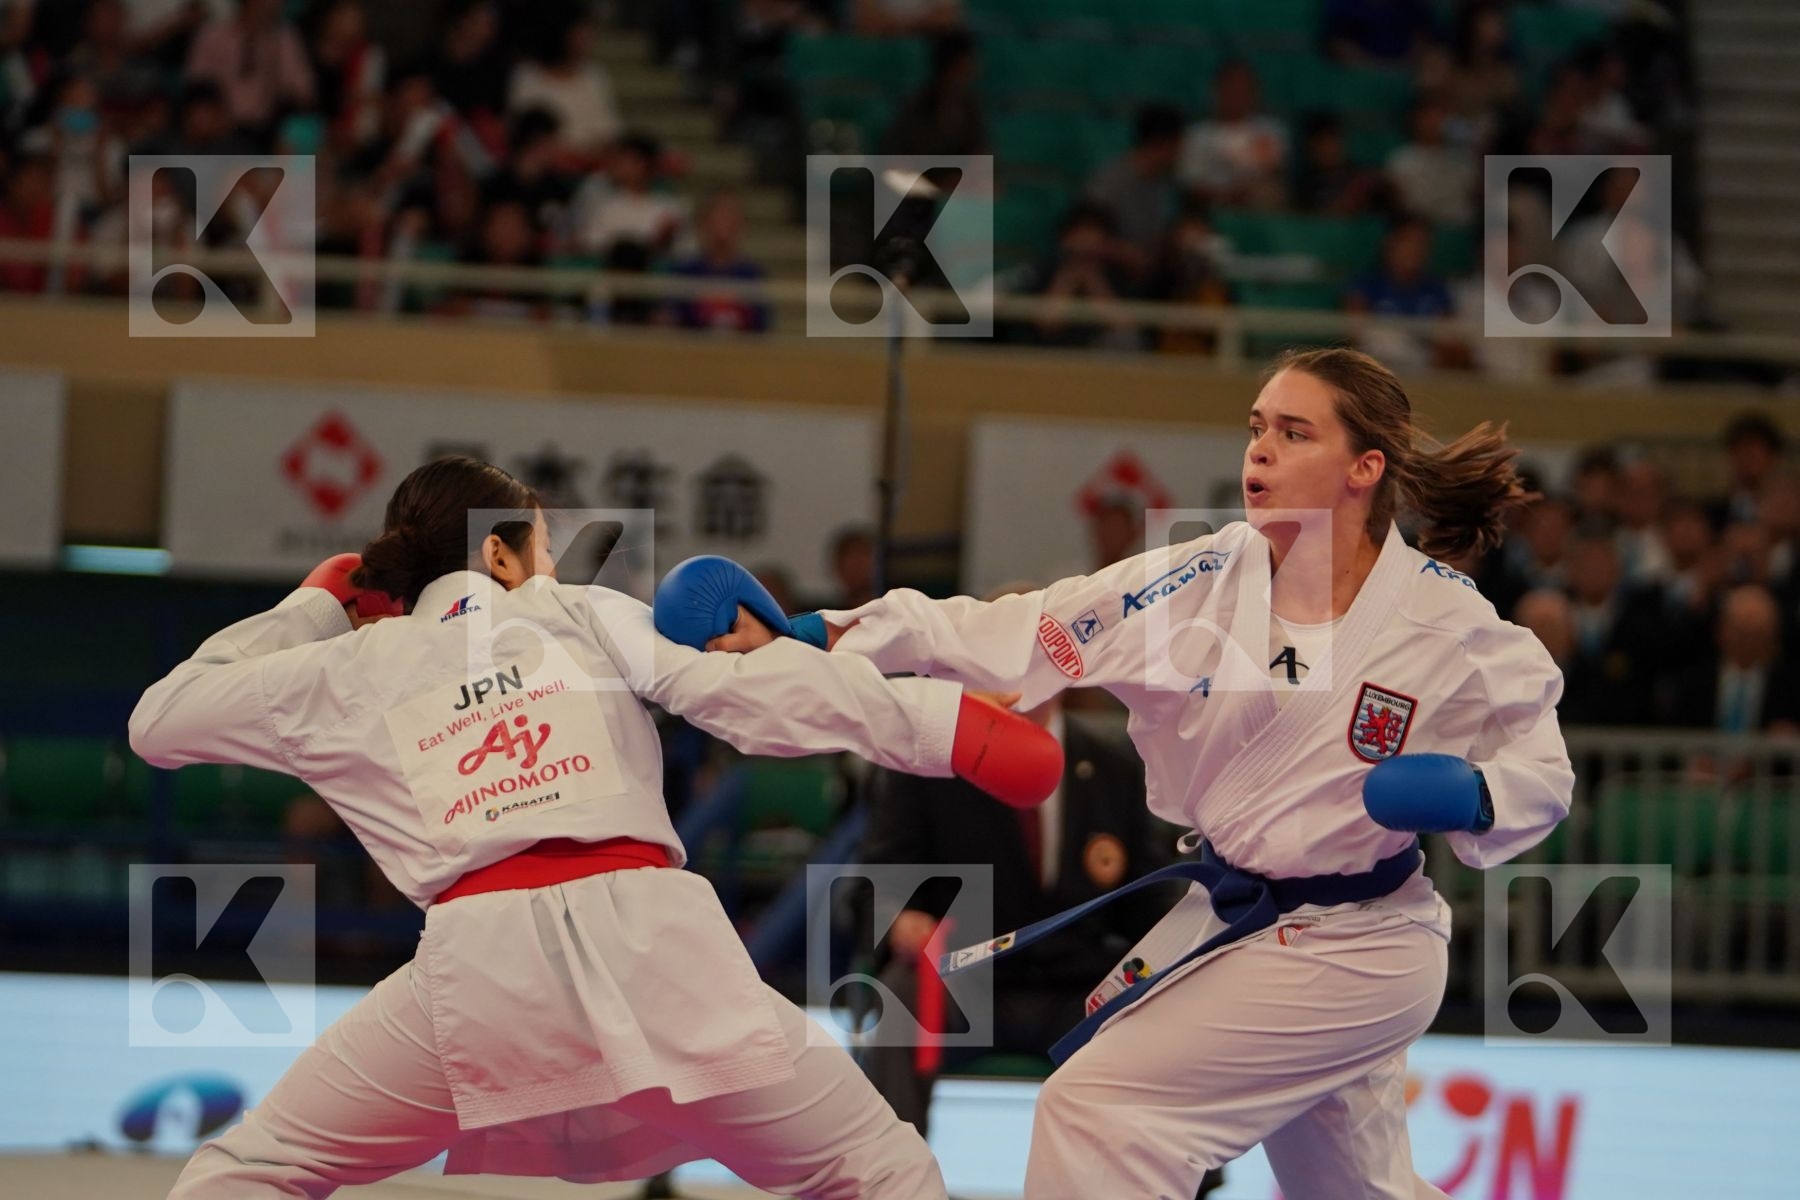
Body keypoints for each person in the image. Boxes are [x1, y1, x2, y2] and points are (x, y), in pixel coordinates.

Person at [672, 348, 1575, 1198]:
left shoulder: (1445, 623)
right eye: (1257, 426)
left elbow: (1542, 760)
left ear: (1364, 469)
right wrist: (828, 632)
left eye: (1294, 433)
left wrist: (1483, 796)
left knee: (1100, 1108)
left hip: (1361, 944)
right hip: (1238, 916)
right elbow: (1019, 631)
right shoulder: (1198, 581)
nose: (1260, 450)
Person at [130, 455, 1062, 1199]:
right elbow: (737, 696)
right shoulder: (574, 610)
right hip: (655, 953)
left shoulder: (347, 665)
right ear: (499, 554)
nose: (548, 563)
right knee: (878, 1172)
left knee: (254, 1171)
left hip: (478, 975)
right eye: (539, 544)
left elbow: (160, 722)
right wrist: (948, 726)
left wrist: (315, 608)